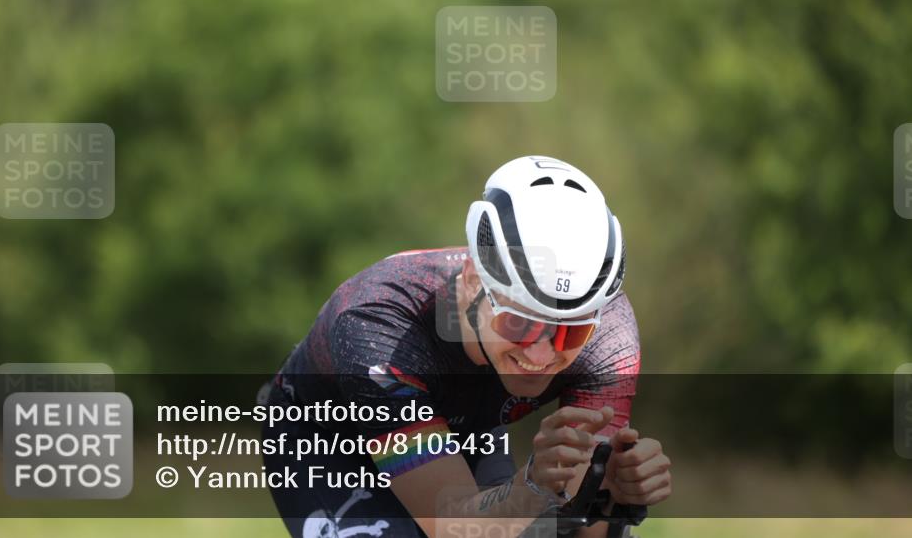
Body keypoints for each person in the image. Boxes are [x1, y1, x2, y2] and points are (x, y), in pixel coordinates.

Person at [263, 156, 671, 538]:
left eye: (570, 334)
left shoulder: (609, 335)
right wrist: (531, 487)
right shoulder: (377, 323)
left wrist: (611, 500)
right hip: (326, 435)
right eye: (520, 324)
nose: (541, 355)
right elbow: (452, 527)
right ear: (475, 281)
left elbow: (581, 529)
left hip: (468, 425)